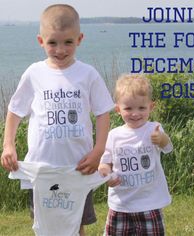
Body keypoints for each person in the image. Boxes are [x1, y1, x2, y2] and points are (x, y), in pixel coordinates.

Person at [0, 4, 114, 236]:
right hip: (42, 172)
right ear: (41, 41)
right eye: (52, 43)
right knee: (46, 226)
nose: (60, 50)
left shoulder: (88, 74)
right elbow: (15, 110)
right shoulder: (34, 74)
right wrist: (8, 145)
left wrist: (98, 150)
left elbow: (103, 113)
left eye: (68, 43)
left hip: (78, 169)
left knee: (76, 225)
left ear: (79, 39)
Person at [98, 74, 173, 236]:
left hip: (149, 203)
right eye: (128, 108)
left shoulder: (154, 128)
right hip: (120, 204)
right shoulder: (113, 135)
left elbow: (168, 147)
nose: (135, 113)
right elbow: (103, 164)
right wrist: (107, 176)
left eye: (141, 108)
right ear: (118, 109)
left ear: (151, 107)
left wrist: (161, 139)